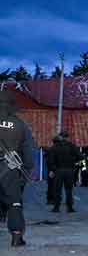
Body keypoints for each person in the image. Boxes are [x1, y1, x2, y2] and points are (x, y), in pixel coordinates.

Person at [0, 89, 36, 247]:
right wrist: (27, 169)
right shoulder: (20, 125)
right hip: (9, 168)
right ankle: (16, 236)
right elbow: (28, 151)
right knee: (14, 202)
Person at [48, 131, 81, 213]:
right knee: (69, 190)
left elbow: (50, 160)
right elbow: (80, 156)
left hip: (58, 171)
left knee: (57, 190)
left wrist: (52, 169)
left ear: (60, 137)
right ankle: (70, 208)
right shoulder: (72, 146)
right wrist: (73, 161)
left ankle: (56, 207)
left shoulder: (55, 147)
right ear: (67, 137)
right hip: (70, 170)